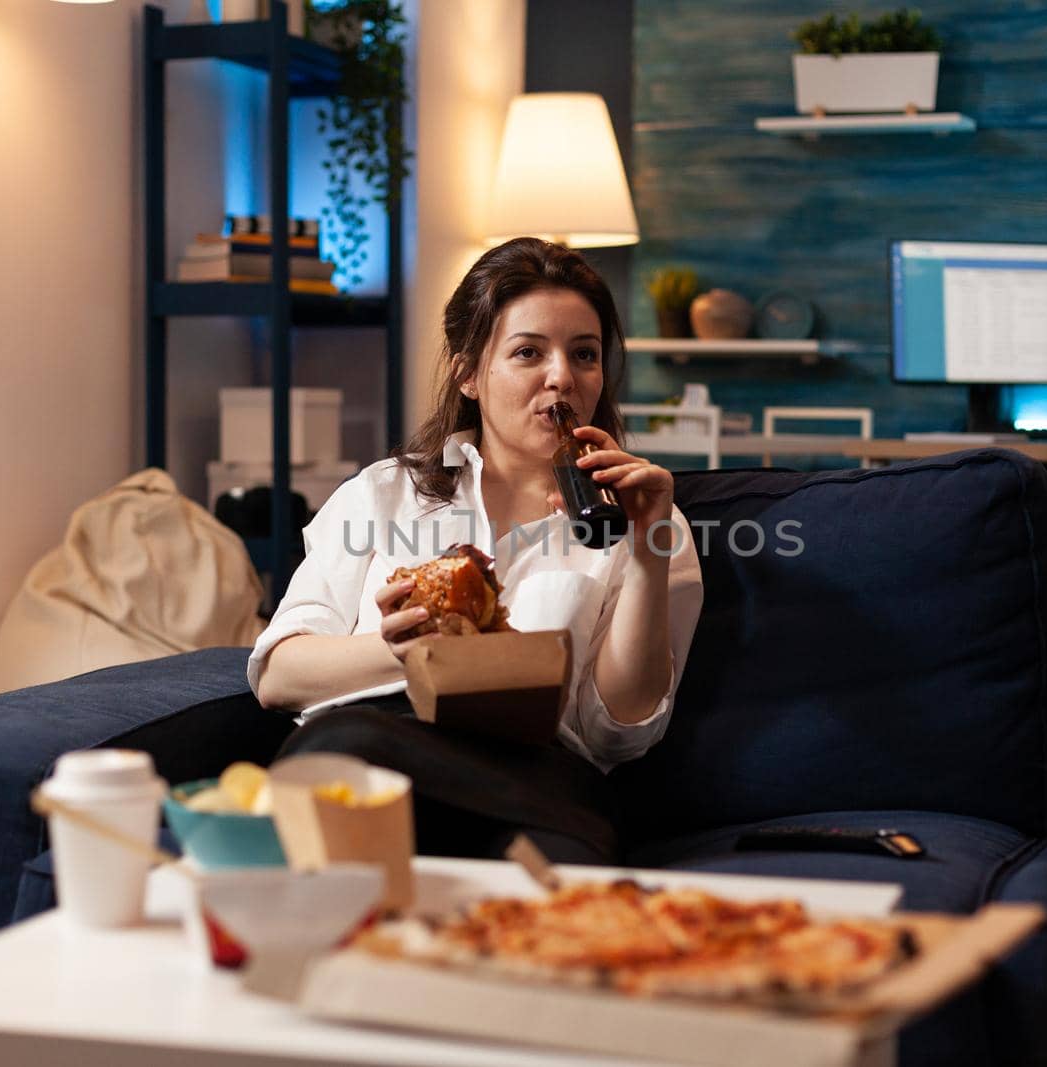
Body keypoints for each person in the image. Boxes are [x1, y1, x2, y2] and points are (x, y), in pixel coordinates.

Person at [248, 237, 705, 863]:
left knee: (561, 849)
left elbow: (619, 731)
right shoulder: (385, 494)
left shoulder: (649, 520)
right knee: (344, 750)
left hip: (534, 777)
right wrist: (400, 650)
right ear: (468, 373)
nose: (562, 377)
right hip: (374, 749)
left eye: (585, 354)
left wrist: (649, 548)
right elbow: (278, 675)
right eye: (527, 352)